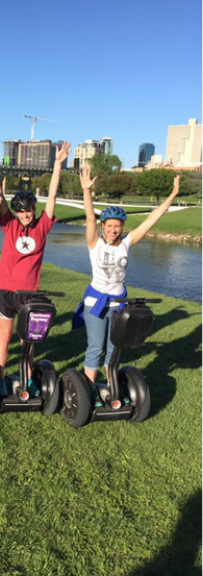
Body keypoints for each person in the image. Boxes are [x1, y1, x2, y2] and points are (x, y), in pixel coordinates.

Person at [73, 167, 180, 404]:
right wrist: (86, 191)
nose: (113, 230)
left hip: (120, 303)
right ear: (103, 226)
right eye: (109, 226)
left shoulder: (127, 243)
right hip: (96, 302)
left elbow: (152, 219)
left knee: (114, 349)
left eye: (117, 226)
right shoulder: (94, 243)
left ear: (122, 227)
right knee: (95, 347)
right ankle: (88, 392)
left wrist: (172, 195)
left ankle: (112, 390)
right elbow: (90, 217)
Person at [0, 142, 71, 396]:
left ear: (34, 210)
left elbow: (52, 197)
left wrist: (57, 164)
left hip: (29, 293)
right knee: (5, 337)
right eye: (20, 211)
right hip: (6, 291)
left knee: (27, 340)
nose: (24, 215)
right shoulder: (8, 224)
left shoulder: (43, 227)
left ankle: (28, 378)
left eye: (28, 210)